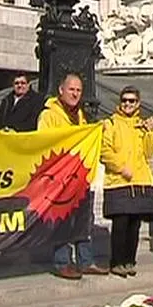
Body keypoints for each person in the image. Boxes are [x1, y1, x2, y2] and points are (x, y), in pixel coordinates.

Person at [38, 73, 108, 279]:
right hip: (59, 178)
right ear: (61, 90)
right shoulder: (49, 115)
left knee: (84, 219)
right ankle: (62, 262)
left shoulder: (81, 115)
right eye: (71, 89)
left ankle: (86, 261)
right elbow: (43, 143)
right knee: (62, 220)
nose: (75, 94)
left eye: (78, 90)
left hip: (79, 176)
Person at [100, 86, 153, 278]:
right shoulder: (111, 123)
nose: (127, 104)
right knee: (120, 224)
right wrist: (120, 167)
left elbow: (150, 153)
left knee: (134, 225)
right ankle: (116, 262)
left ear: (138, 103)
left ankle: (129, 261)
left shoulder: (141, 125)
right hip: (119, 180)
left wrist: (150, 133)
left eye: (131, 101)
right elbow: (105, 151)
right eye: (124, 100)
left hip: (140, 181)